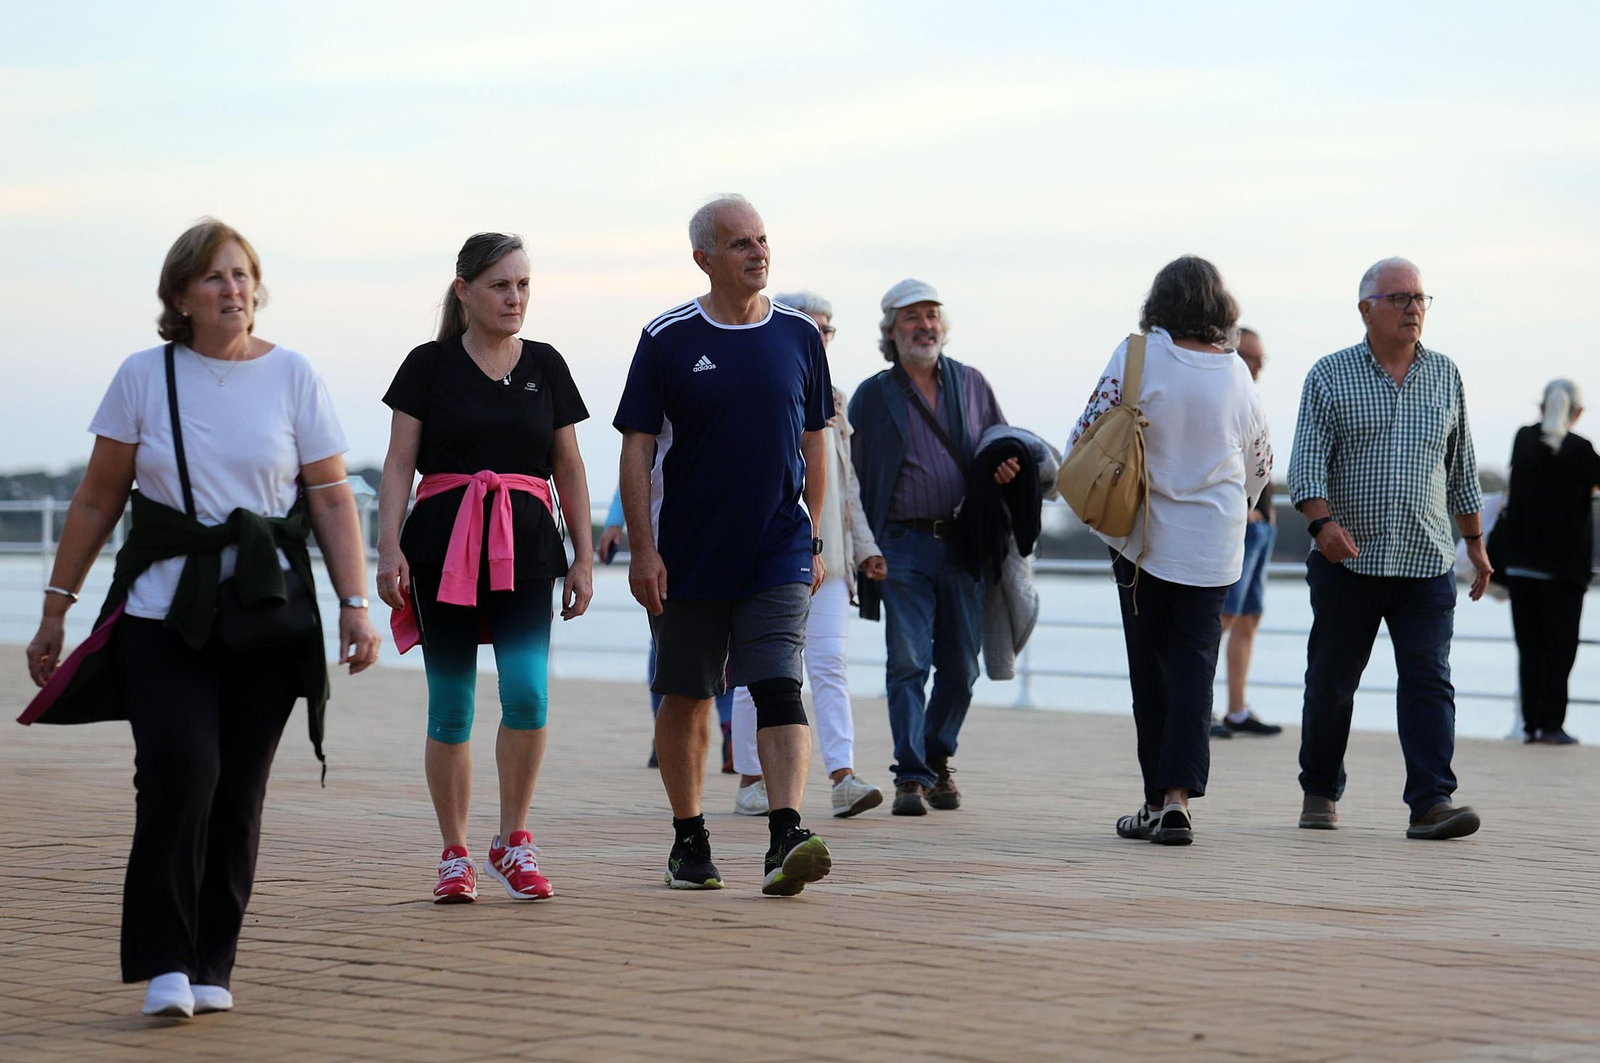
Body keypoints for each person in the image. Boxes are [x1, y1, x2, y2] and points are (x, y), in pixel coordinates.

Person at [20, 219, 380, 1018]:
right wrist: (56, 611)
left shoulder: (293, 374)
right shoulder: (144, 376)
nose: (233, 289)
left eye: (244, 274)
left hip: (266, 613)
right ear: (179, 295)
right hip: (163, 614)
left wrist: (356, 605)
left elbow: (327, 495)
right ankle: (164, 963)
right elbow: (97, 497)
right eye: (215, 277)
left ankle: (213, 958)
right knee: (183, 771)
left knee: (238, 789)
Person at [615, 194, 834, 896]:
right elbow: (637, 448)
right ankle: (689, 838)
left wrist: (816, 533)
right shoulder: (667, 337)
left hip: (778, 548)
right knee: (687, 696)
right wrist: (645, 550)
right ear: (704, 257)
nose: (758, 252)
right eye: (740, 243)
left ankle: (785, 834)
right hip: (688, 555)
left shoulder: (799, 336)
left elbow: (815, 441)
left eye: (763, 239)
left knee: (777, 684)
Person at [378, 233, 594, 904]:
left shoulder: (547, 365)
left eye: (524, 284)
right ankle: (455, 852)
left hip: (528, 545)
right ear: (463, 290)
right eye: (501, 285)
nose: (515, 297)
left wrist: (585, 554)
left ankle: (512, 838)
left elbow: (569, 466)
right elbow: (396, 465)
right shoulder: (427, 365)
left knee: (528, 693)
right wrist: (388, 548)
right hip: (441, 548)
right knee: (452, 705)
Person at [1068, 256, 1271, 846]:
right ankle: (1180, 800)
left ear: (1159, 301)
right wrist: (1234, 503)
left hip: (1139, 538)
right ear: (1219, 307)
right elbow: (1260, 463)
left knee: (1149, 669)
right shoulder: (1236, 373)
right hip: (1213, 545)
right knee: (1194, 671)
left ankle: (1155, 801)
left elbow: (1085, 433)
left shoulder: (1136, 356)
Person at [1287, 256, 1490, 840]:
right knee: (1332, 682)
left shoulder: (1446, 375)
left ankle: (1432, 801)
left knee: (1429, 679)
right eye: (1399, 298)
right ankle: (1320, 789)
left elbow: (1463, 472)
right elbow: (1306, 466)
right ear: (1365, 309)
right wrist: (1321, 526)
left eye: (1421, 298)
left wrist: (1475, 543)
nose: (1413, 308)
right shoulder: (1329, 375)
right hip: (1348, 563)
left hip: (1425, 561)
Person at [848, 280, 1017, 816]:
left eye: (931, 316)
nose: (925, 326)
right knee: (907, 661)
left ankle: (937, 755)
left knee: (962, 669)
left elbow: (999, 442)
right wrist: (861, 547)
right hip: (900, 544)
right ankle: (911, 776)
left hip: (963, 543)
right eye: (911, 318)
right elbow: (851, 477)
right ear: (891, 332)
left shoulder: (971, 383)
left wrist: (1007, 468)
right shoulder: (874, 395)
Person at [729, 291, 887, 820]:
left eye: (828, 328)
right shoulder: (761, 385)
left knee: (830, 665)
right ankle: (752, 778)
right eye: (810, 327)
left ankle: (843, 775)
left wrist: (865, 550)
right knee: (765, 670)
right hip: (769, 555)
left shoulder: (836, 403)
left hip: (831, 559)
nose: (820, 336)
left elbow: (848, 489)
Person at [599, 487, 736, 770]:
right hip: (673, 540)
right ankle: (675, 729)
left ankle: (723, 727)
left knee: (716, 641)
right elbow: (637, 464)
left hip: (706, 534)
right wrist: (615, 521)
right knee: (672, 641)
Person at [1495, 379, 1600, 744]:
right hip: (1565, 570)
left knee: (1530, 647)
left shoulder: (1523, 439)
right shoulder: (1582, 450)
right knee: (1560, 648)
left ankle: (1529, 724)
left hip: (1521, 565)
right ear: (1578, 412)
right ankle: (1552, 724)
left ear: (1542, 407)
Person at [1213, 327, 1284, 739]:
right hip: (1240, 525)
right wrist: (1245, 510)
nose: (1257, 366)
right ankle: (1199, 710)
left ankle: (1237, 708)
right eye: (1250, 357)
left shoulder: (1249, 397)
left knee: (1249, 616)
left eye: (1260, 359)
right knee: (1222, 617)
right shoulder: (1225, 398)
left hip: (1261, 525)